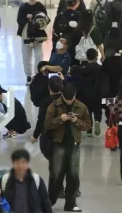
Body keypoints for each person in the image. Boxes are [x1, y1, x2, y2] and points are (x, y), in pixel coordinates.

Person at [44, 83, 91, 211]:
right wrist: (60, 118)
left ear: (75, 95)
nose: (69, 101)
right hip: (58, 144)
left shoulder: (81, 107)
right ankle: (49, 202)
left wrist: (77, 121)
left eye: (71, 98)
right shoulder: (54, 106)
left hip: (74, 145)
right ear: (62, 95)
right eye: (66, 99)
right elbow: (47, 124)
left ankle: (70, 204)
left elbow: (87, 125)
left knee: (73, 175)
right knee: (56, 175)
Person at [17, 0, 50, 84]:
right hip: (26, 35)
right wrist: (27, 18)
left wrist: (38, 19)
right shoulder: (23, 7)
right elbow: (19, 20)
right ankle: (28, 75)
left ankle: (37, 74)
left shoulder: (40, 6)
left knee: (39, 55)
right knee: (26, 56)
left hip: (38, 35)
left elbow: (46, 19)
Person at [31, 75, 63, 150]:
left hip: (49, 134)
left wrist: (35, 135)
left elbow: (41, 120)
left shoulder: (45, 102)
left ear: (48, 87)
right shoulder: (66, 99)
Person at [75, 48, 102, 137]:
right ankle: (97, 120)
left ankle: (89, 131)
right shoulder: (100, 68)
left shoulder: (83, 69)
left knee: (88, 112)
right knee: (98, 110)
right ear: (96, 56)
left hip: (85, 95)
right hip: (97, 93)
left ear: (87, 57)